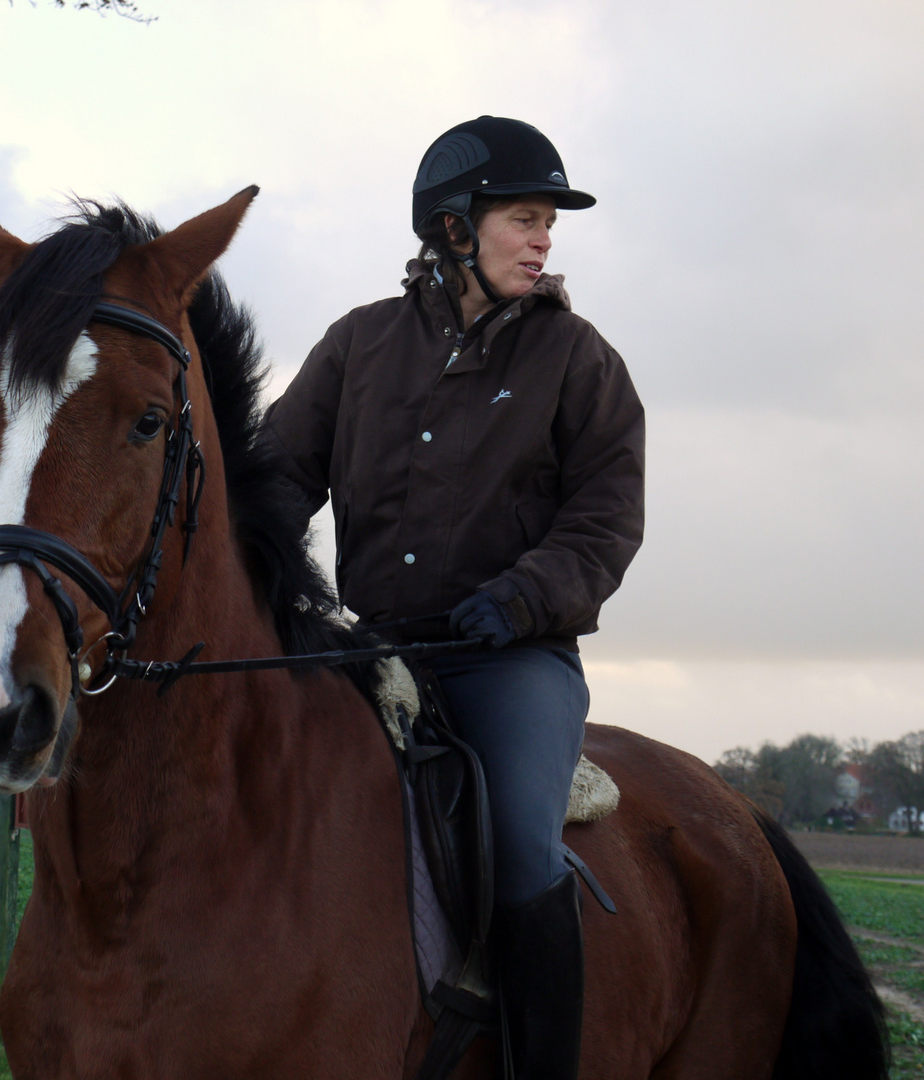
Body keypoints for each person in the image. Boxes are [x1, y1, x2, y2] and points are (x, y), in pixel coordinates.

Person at [264, 116, 644, 1079]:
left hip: (512, 656)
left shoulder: (580, 360)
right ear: (451, 227)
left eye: (549, 221)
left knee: (521, 846)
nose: (544, 238)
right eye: (524, 217)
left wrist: (521, 599)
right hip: (371, 646)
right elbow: (270, 484)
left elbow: (605, 521)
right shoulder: (358, 345)